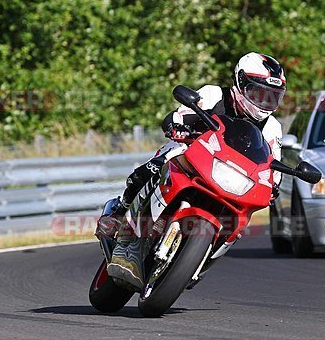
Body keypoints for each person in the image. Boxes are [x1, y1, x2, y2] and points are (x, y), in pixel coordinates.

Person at [96, 52, 287, 290]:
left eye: (271, 97)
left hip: (232, 173)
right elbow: (181, 113)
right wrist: (177, 122)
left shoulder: (272, 127)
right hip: (191, 150)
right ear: (239, 82)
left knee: (243, 217)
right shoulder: (214, 94)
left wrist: (274, 184)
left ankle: (202, 260)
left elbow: (273, 160)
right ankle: (120, 212)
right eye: (258, 93)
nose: (263, 101)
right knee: (157, 163)